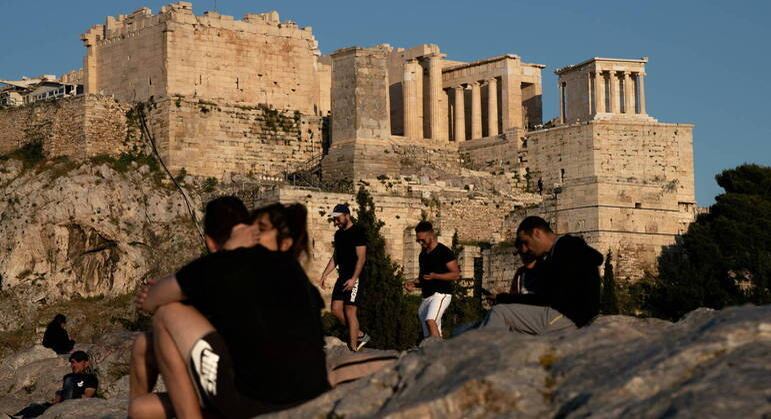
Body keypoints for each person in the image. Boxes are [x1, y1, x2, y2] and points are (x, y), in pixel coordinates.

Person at [129, 203, 329, 419]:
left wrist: (230, 250)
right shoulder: (294, 274)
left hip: (261, 401)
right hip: (306, 396)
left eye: (260, 229)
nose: (251, 233)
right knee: (141, 405)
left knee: (166, 314)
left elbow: (151, 301)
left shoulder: (231, 264)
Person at [128, 196, 250, 417]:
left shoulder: (218, 267)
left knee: (140, 409)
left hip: (237, 388)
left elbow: (149, 303)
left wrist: (160, 295)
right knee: (142, 346)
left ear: (210, 242)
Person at [480, 216, 602, 334]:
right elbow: (543, 297)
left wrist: (505, 299)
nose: (525, 249)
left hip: (568, 317)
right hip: (565, 315)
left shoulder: (566, 245)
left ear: (537, 233)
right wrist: (503, 299)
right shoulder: (556, 253)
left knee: (500, 313)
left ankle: (482, 352)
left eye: (526, 242)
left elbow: (546, 298)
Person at [319, 204, 370, 351]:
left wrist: (354, 278)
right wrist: (324, 274)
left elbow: (361, 258)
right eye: (334, 220)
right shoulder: (339, 234)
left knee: (349, 310)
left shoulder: (358, 232)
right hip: (343, 276)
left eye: (338, 219)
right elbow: (336, 257)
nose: (336, 222)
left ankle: (353, 346)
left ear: (347, 215)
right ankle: (359, 334)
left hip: (356, 276)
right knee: (335, 309)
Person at [405, 221, 460, 339]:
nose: (420, 242)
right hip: (427, 296)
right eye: (418, 240)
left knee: (430, 320)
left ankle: (436, 352)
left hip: (441, 294)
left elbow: (455, 275)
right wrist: (413, 285)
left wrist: (436, 276)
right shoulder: (423, 255)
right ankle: (437, 352)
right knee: (428, 332)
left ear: (431, 235)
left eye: (422, 240)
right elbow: (424, 277)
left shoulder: (444, 252)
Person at [12, 351, 98, 418]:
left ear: (86, 363)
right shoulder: (67, 376)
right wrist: (58, 397)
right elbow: (62, 392)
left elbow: (87, 396)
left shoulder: (90, 378)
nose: (74, 365)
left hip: (72, 406)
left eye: (77, 362)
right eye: (72, 362)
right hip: (60, 405)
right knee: (33, 407)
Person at [493, 238, 542, 305]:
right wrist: (499, 299)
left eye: (527, 253)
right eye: (521, 254)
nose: (523, 257)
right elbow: (513, 296)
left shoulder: (547, 270)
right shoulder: (520, 273)